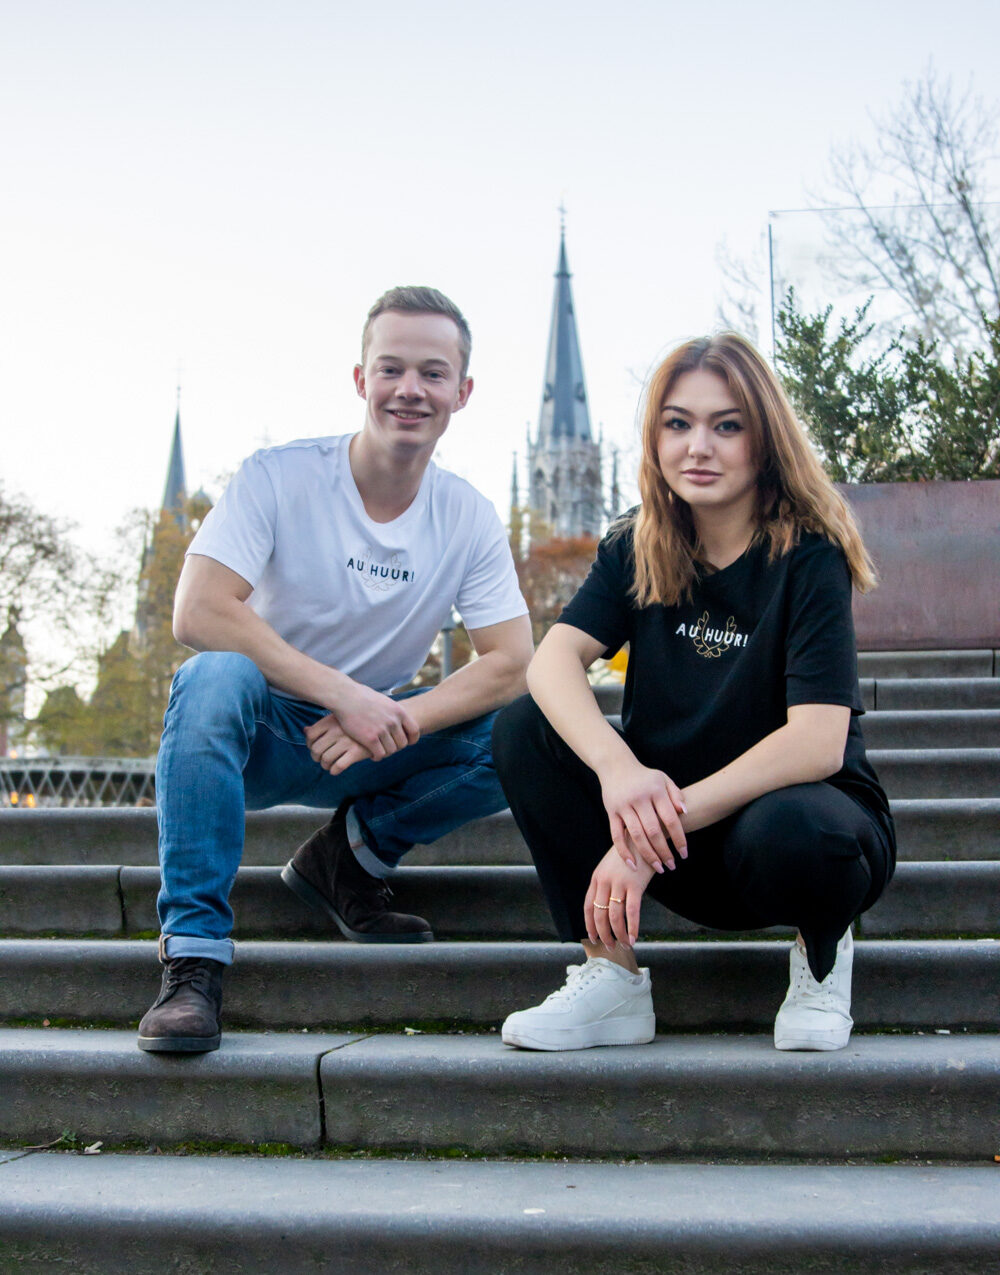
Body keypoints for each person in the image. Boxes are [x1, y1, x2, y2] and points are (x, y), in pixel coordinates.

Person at [138, 286, 533, 1054]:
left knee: (527, 727)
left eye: (432, 372)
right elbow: (197, 609)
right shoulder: (279, 476)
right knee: (214, 676)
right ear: (361, 379)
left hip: (369, 743)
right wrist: (343, 693)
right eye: (391, 368)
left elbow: (514, 661)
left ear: (462, 391)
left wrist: (397, 715)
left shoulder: (468, 516)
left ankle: (348, 857)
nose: (410, 389)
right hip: (258, 730)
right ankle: (193, 959)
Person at [492, 332, 895, 1053]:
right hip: (681, 846)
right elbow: (551, 664)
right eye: (678, 423)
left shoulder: (810, 553)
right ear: (655, 438)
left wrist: (645, 840)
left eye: (726, 425)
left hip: (784, 838)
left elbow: (817, 742)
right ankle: (609, 974)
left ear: (764, 438)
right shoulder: (636, 544)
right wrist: (618, 771)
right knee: (525, 727)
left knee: (798, 827)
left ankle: (822, 956)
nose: (698, 447)